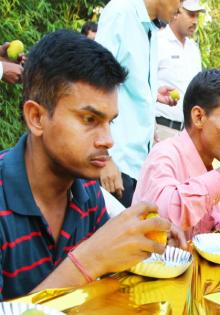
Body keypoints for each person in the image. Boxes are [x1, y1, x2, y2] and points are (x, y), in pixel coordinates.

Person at [0, 30, 186, 301]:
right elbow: (91, 263)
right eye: (89, 119)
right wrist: (88, 261)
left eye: (109, 122)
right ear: (37, 117)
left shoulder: (87, 192)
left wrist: (142, 241)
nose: (108, 140)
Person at [132, 69, 220, 239]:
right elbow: (165, 218)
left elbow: (204, 238)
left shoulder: (207, 169)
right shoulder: (164, 155)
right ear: (199, 117)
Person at [95, 0, 181, 205]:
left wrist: (152, 94)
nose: (180, 9)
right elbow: (94, 86)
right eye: (182, 0)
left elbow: (126, 82)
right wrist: (103, 158)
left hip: (137, 165)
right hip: (115, 161)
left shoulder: (151, 29)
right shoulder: (121, 13)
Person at [155, 0, 205, 141]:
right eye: (191, 15)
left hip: (186, 134)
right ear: (176, 11)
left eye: (197, 16)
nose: (195, 21)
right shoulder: (158, 42)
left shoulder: (194, 49)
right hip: (160, 130)